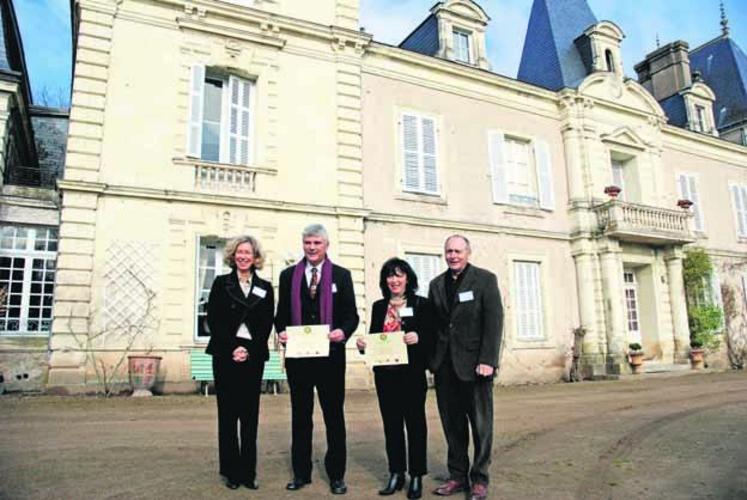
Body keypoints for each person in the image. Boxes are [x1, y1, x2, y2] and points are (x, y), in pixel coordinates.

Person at [275, 224, 359, 495]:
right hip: (299, 359)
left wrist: (342, 332)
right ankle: (301, 474)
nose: (311, 248)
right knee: (301, 417)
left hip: (331, 360)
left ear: (326, 245)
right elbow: (281, 315)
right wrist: (282, 332)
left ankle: (336, 475)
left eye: (316, 243)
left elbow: (351, 315)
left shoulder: (342, 276)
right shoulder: (289, 276)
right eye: (307, 243)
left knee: (334, 417)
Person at [428, 235, 503, 500]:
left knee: (481, 426)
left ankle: (480, 479)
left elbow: (494, 322)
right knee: (452, 425)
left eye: (458, 251)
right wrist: (430, 361)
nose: (453, 256)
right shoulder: (436, 284)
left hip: (475, 366)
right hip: (445, 367)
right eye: (449, 251)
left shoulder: (484, 280)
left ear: (468, 252)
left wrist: (488, 360)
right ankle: (457, 476)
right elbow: (434, 326)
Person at [356, 258, 434, 499]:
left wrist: (418, 337)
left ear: (407, 278)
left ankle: (417, 476)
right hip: (385, 375)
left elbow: (433, 336)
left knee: (415, 425)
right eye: (390, 276)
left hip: (411, 375)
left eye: (399, 275)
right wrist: (362, 345)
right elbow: (375, 339)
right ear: (385, 281)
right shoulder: (379, 306)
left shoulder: (421, 304)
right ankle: (396, 473)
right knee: (391, 426)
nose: (394, 280)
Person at [205, 235, 275, 490]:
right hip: (225, 356)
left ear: (256, 257)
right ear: (233, 256)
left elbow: (267, 323)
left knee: (249, 416)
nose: (244, 256)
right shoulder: (221, 283)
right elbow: (215, 320)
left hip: (253, 356)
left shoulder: (265, 287)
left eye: (248, 252)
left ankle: (248, 472)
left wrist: (248, 349)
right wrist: (233, 348)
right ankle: (231, 472)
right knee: (228, 415)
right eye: (239, 252)